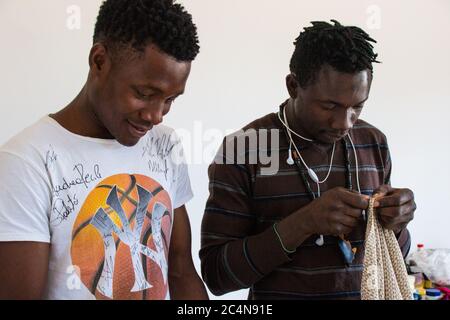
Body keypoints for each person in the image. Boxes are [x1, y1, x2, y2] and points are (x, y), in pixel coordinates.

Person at [0, 0, 208, 300]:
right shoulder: (25, 163)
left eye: (170, 100)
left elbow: (180, 270)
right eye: (145, 94)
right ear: (99, 61)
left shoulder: (165, 143)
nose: (156, 115)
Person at [200, 20, 416, 300]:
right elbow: (217, 276)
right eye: (329, 106)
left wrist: (397, 224)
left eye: (357, 106)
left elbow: (393, 254)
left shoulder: (373, 141)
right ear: (293, 86)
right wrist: (303, 223)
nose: (345, 123)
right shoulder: (243, 149)